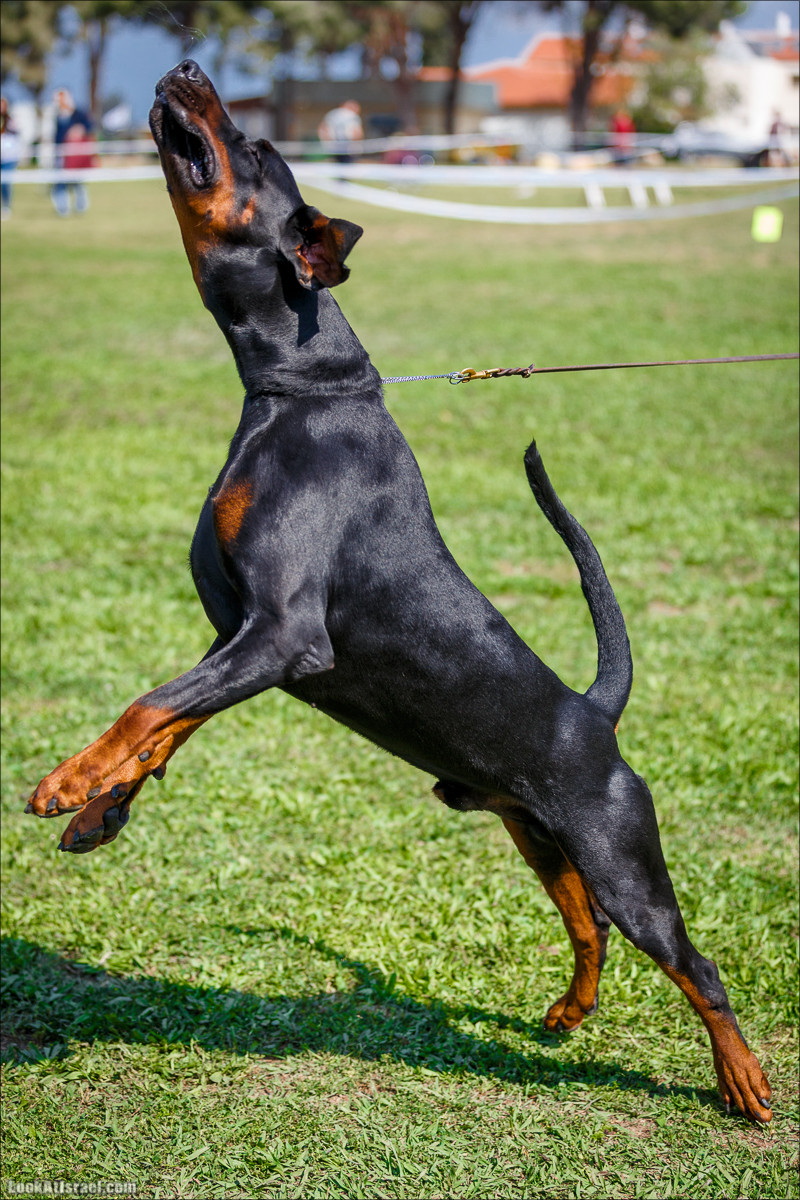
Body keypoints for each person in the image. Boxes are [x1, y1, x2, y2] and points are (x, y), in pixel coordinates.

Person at [52, 88, 94, 216]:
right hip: (62, 154)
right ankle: (63, 209)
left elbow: (89, 127)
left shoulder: (79, 114)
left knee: (78, 182)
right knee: (60, 182)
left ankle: (81, 207)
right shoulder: (58, 116)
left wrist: (79, 130)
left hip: (76, 155)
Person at [317, 99, 363, 163]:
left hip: (334, 144)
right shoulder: (352, 115)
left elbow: (323, 129)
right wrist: (356, 146)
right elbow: (356, 132)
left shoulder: (331, 114)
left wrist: (326, 143)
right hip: (347, 145)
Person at [1, 97, 21, 219]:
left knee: (5, 183)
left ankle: (6, 206)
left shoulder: (11, 121)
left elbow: (15, 139)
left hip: (8, 157)